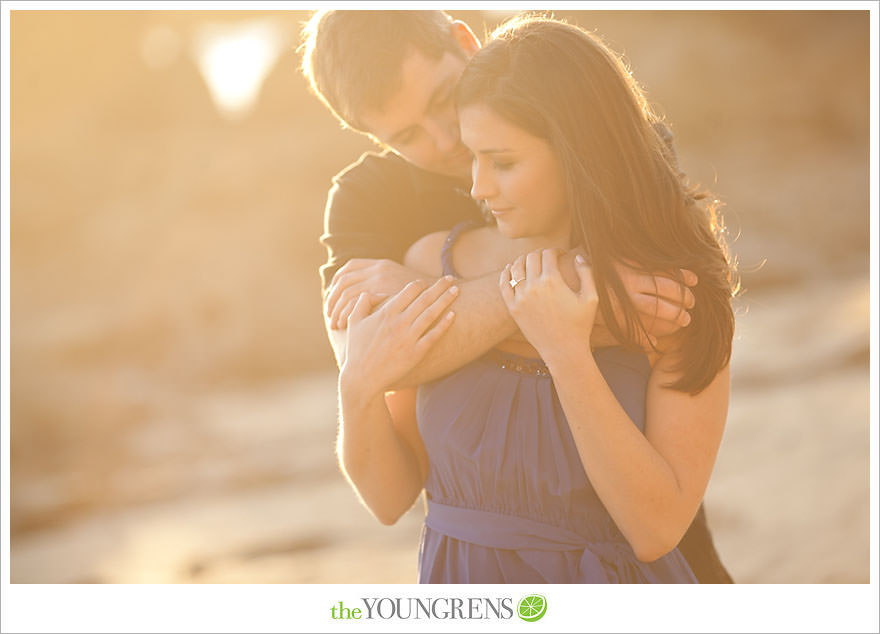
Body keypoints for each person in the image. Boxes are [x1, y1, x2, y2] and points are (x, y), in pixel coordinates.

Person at [300, 10, 734, 583]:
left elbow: (648, 309)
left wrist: (427, 300)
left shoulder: (615, 143)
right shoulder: (369, 205)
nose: (446, 140)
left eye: (442, 100)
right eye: (404, 137)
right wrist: (553, 287)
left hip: (651, 558)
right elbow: (384, 360)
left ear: (464, 41)